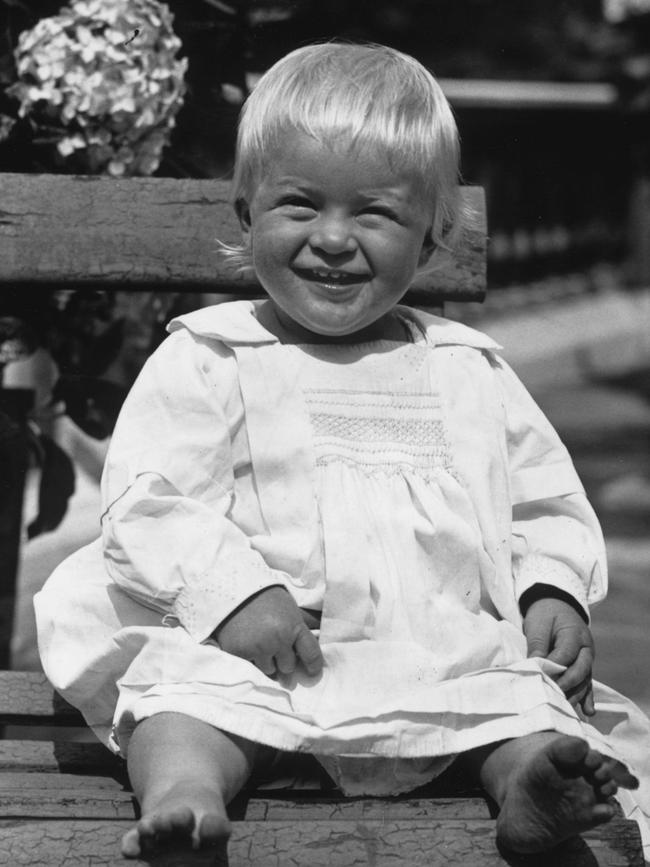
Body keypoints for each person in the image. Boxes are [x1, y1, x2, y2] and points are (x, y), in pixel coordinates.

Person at [35, 41, 650, 860]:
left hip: (437, 650)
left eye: (375, 213)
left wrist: (551, 586)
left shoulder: (467, 369)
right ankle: (186, 794)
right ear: (246, 213)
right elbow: (149, 499)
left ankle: (536, 785)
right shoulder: (212, 355)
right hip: (262, 660)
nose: (333, 238)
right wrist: (231, 592)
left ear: (431, 239)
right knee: (181, 703)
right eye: (299, 204)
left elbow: (539, 497)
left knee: (519, 703)